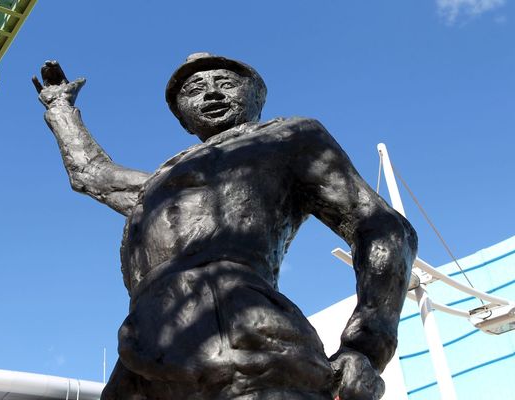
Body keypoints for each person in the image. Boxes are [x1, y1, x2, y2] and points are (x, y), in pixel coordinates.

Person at [33, 53, 417, 400]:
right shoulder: (163, 182)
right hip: (144, 339)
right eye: (195, 89)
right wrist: (60, 108)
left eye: (226, 83)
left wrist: (366, 346)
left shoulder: (287, 138)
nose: (211, 94)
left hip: (239, 324)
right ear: (183, 116)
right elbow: (92, 175)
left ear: (256, 98)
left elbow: (382, 229)